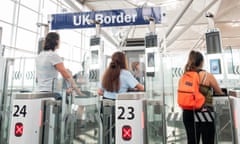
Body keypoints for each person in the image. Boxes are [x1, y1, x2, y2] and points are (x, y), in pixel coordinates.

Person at [182, 50, 224, 144]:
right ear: (201, 62)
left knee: (192, 141)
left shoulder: (185, 76)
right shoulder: (207, 75)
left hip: (188, 113)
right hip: (205, 113)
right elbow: (220, 92)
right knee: (208, 141)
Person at [35, 32, 85, 99]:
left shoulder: (40, 55)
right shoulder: (53, 55)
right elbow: (65, 74)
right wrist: (78, 91)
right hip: (50, 92)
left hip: (39, 91)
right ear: (56, 41)